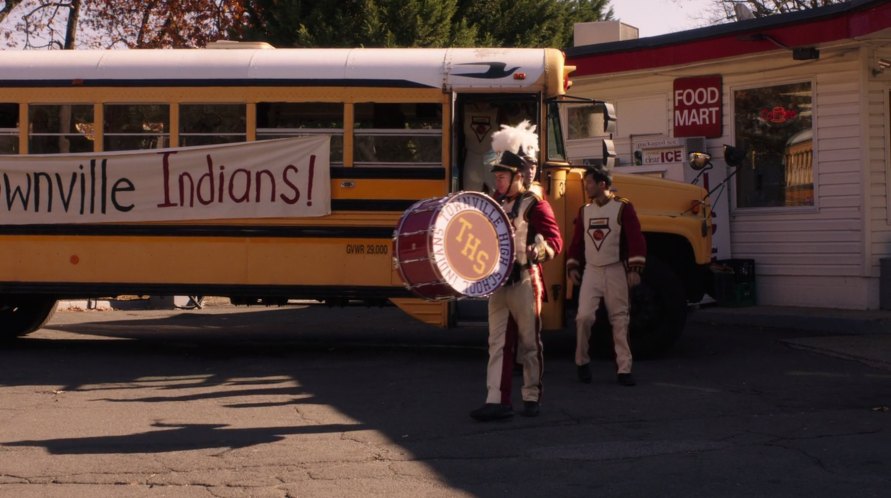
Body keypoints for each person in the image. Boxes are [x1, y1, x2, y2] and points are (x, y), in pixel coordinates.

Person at [470, 121, 563, 422]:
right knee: (496, 342)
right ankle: (496, 399)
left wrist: (541, 250)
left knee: (529, 342)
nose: (497, 181)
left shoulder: (534, 204)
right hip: (498, 282)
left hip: (525, 280)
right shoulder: (493, 202)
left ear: (517, 177)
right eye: (496, 176)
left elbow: (555, 241)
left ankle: (531, 395)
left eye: (501, 176)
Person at [567, 166, 646, 387]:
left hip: (615, 269)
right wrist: (573, 265)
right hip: (591, 269)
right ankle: (581, 361)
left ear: (602, 184)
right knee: (583, 318)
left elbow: (636, 239)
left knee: (620, 320)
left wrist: (634, 269)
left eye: (590, 183)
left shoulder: (623, 207)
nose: (586, 186)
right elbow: (576, 242)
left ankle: (624, 369)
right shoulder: (584, 211)